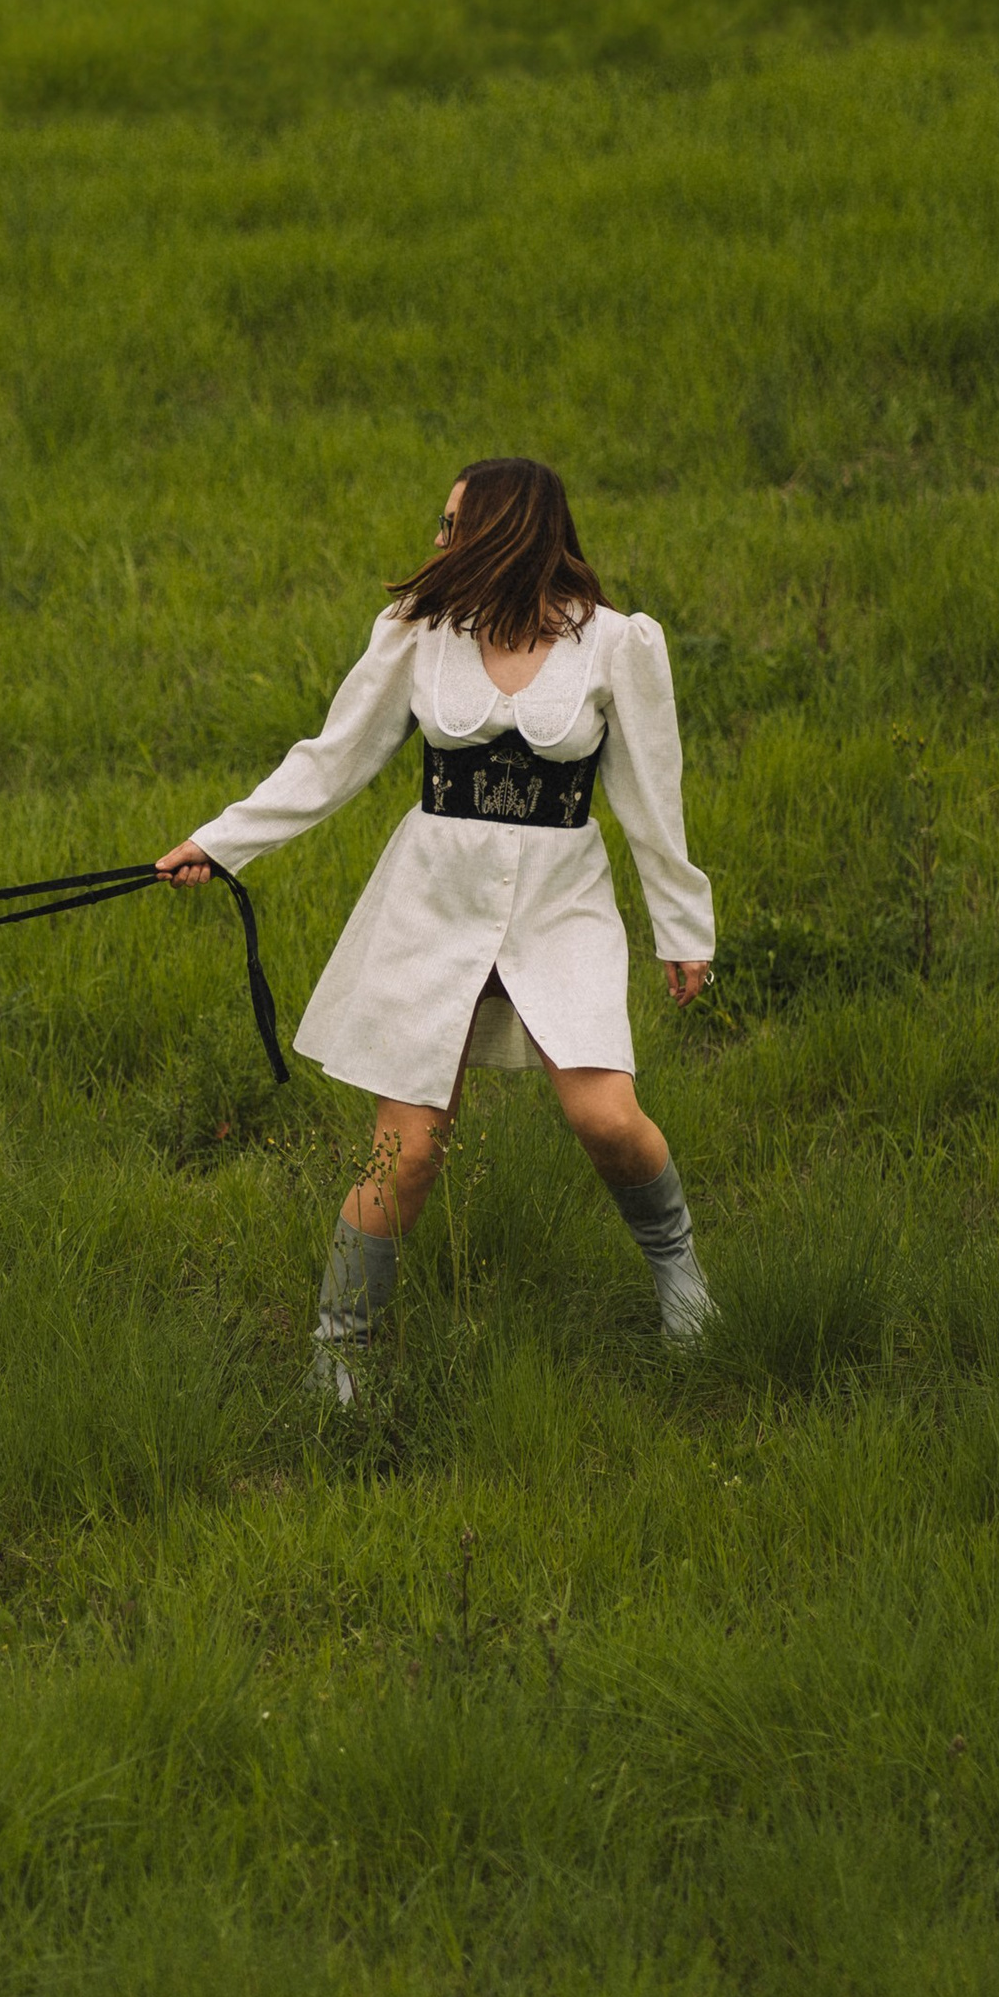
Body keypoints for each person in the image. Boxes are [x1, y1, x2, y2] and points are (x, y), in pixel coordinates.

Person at [159, 459, 716, 1389]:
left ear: (506, 533)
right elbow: (333, 757)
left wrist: (682, 926)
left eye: (453, 526)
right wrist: (222, 844)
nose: (438, 543)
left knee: (606, 1118)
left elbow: (654, 798)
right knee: (409, 1149)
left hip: (559, 902)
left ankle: (680, 1273)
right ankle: (338, 1351)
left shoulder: (618, 646)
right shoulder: (418, 634)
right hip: (432, 901)